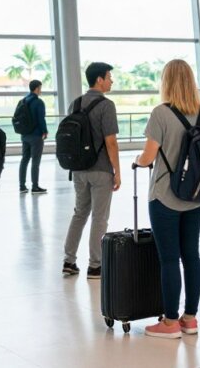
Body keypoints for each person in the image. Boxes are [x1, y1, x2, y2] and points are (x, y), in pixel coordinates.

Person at [134, 59, 200, 339]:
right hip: (196, 195)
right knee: (191, 254)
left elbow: (148, 156)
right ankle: (190, 319)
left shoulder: (160, 113)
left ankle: (169, 323)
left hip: (165, 195)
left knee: (169, 259)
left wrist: (138, 161)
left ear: (166, 82)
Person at [62, 62, 121, 280]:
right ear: (99, 79)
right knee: (99, 217)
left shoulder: (74, 104)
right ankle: (95, 265)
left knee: (80, 213)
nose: (111, 81)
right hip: (100, 170)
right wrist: (117, 171)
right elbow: (111, 142)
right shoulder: (107, 105)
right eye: (109, 77)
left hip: (78, 169)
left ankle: (69, 260)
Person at [18, 79, 48, 195]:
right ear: (37, 88)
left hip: (24, 135)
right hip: (36, 136)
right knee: (35, 161)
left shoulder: (23, 100)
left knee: (24, 159)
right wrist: (45, 131)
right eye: (40, 88)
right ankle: (35, 187)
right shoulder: (38, 102)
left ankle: (22, 186)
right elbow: (41, 119)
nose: (41, 91)